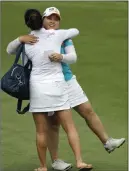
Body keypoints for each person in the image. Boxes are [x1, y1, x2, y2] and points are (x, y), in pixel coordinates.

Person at [6, 7, 125, 171]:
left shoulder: (63, 37)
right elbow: (12, 49)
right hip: (50, 85)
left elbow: (73, 57)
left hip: (67, 81)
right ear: (43, 20)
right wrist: (21, 38)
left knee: (87, 110)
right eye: (49, 18)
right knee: (54, 124)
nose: (53, 21)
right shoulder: (33, 37)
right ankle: (56, 161)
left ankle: (107, 141)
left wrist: (61, 57)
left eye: (56, 18)